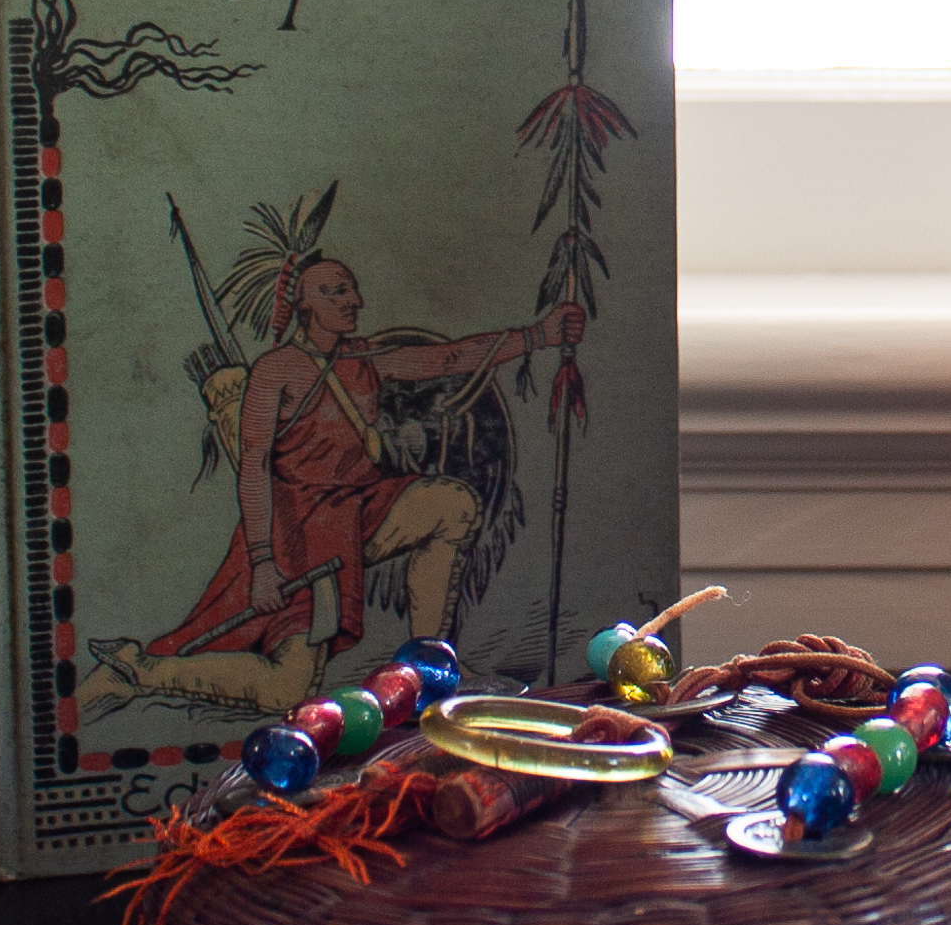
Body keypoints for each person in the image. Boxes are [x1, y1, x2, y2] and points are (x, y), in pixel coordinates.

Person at [78, 257, 583, 715]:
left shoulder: (359, 359)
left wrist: (537, 335)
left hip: (360, 510)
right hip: (300, 530)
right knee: (287, 691)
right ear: (303, 305)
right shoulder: (273, 372)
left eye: (352, 290)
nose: (353, 301)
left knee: (451, 505)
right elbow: (253, 467)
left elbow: (445, 361)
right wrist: (262, 563)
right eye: (336, 292)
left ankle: (429, 666)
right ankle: (140, 670)